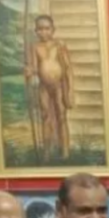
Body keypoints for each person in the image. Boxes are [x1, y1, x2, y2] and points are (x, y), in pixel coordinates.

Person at [25, 14, 73, 160]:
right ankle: (46, 151)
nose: (43, 32)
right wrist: (29, 71)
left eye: (47, 29)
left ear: (53, 29)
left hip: (59, 86)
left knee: (61, 116)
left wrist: (70, 90)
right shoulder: (34, 47)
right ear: (36, 31)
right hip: (44, 87)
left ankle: (65, 151)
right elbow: (34, 66)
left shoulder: (59, 45)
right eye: (40, 29)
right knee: (45, 116)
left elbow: (67, 68)